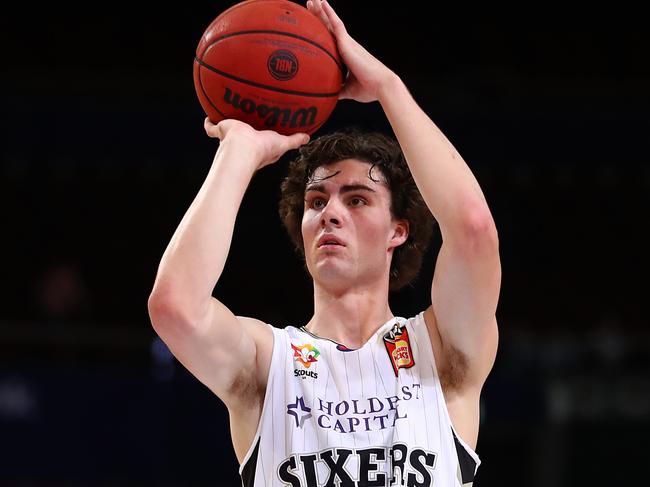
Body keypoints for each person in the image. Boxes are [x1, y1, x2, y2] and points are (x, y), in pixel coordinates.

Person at [148, 1, 500, 485]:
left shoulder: (439, 354)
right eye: (316, 202)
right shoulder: (268, 364)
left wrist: (387, 89)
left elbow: (474, 231)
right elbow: (175, 308)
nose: (330, 212)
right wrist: (240, 151)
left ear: (399, 230)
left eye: (356, 200)